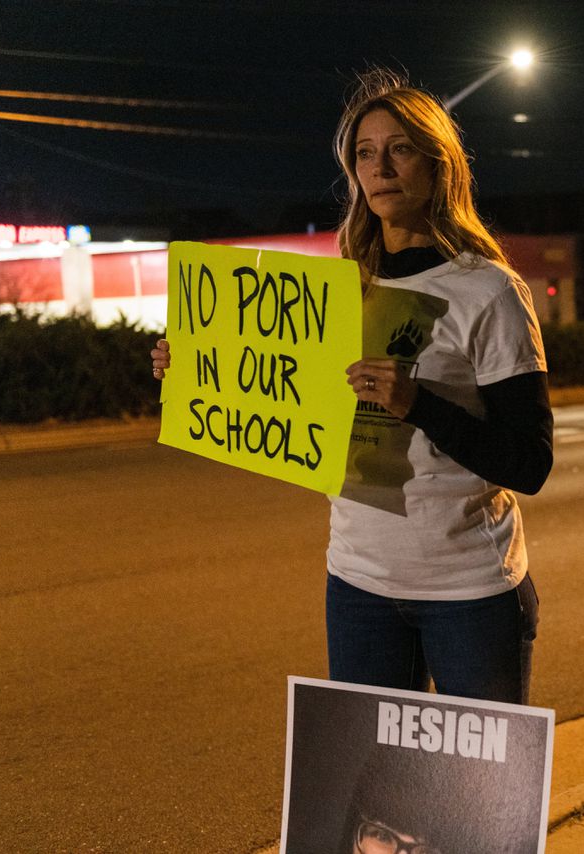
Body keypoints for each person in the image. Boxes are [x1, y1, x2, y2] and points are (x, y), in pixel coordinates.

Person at [151, 69, 551, 705]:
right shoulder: (342, 291)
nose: (380, 167)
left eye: (399, 148)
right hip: (358, 585)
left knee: (473, 802)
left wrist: (418, 405)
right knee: (373, 800)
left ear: (439, 163)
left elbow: (528, 463)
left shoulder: (490, 291)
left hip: (469, 594)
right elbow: (278, 396)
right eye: (364, 153)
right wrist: (198, 362)